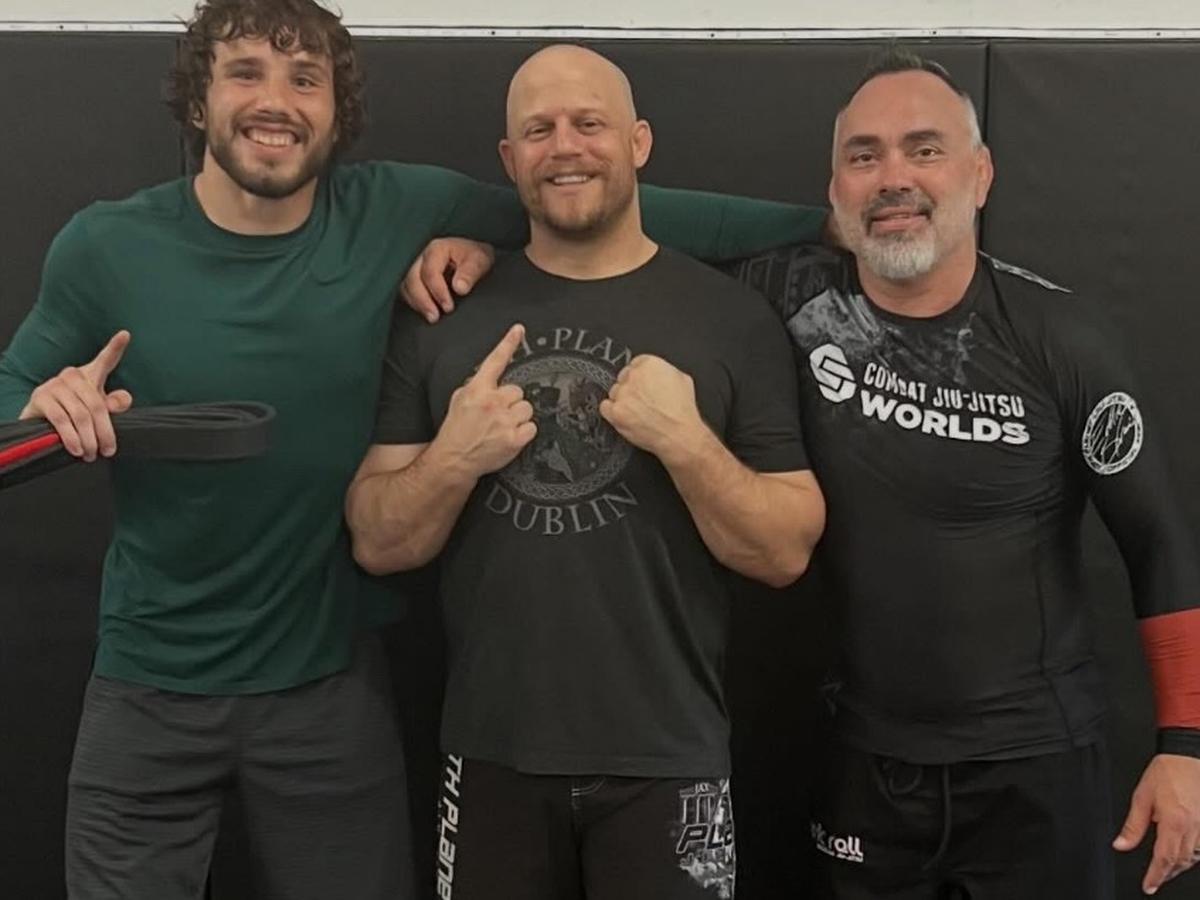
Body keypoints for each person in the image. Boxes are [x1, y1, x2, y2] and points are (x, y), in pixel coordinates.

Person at [0, 2, 832, 897]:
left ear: (337, 112)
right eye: (245, 72)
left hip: (324, 688)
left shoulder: (392, 210)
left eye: (304, 79)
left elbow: (588, 201)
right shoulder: (106, 245)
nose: (275, 101)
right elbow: (9, 406)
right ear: (198, 100)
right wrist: (43, 410)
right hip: (146, 687)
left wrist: (829, 225)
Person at [344, 44, 826, 900]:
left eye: (589, 123)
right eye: (539, 130)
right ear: (509, 159)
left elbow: (785, 551)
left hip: (670, 757)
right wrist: (454, 458)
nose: (564, 146)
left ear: (638, 142)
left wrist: (686, 443)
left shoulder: (731, 319)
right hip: (491, 753)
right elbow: (378, 543)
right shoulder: (443, 315)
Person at [724, 50, 1200, 899]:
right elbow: (617, 236)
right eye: (864, 156)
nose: (893, 177)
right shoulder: (789, 299)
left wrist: (1187, 747)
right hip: (863, 766)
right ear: (834, 189)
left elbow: (1157, 540)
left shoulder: (1062, 339)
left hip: (1038, 770)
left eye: (925, 149)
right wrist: (487, 240)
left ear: (980, 175)